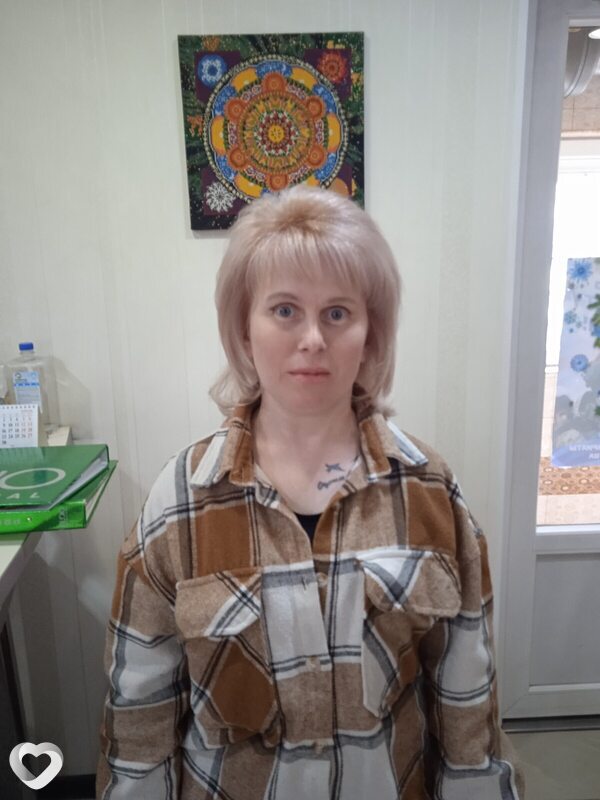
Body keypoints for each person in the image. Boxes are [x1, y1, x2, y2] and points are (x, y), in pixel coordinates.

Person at [96, 186, 525, 799]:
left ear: (370, 334)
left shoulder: (429, 490)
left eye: (338, 313)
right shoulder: (180, 504)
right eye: (284, 310)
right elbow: (139, 721)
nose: (313, 339)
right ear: (244, 330)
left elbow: (467, 705)